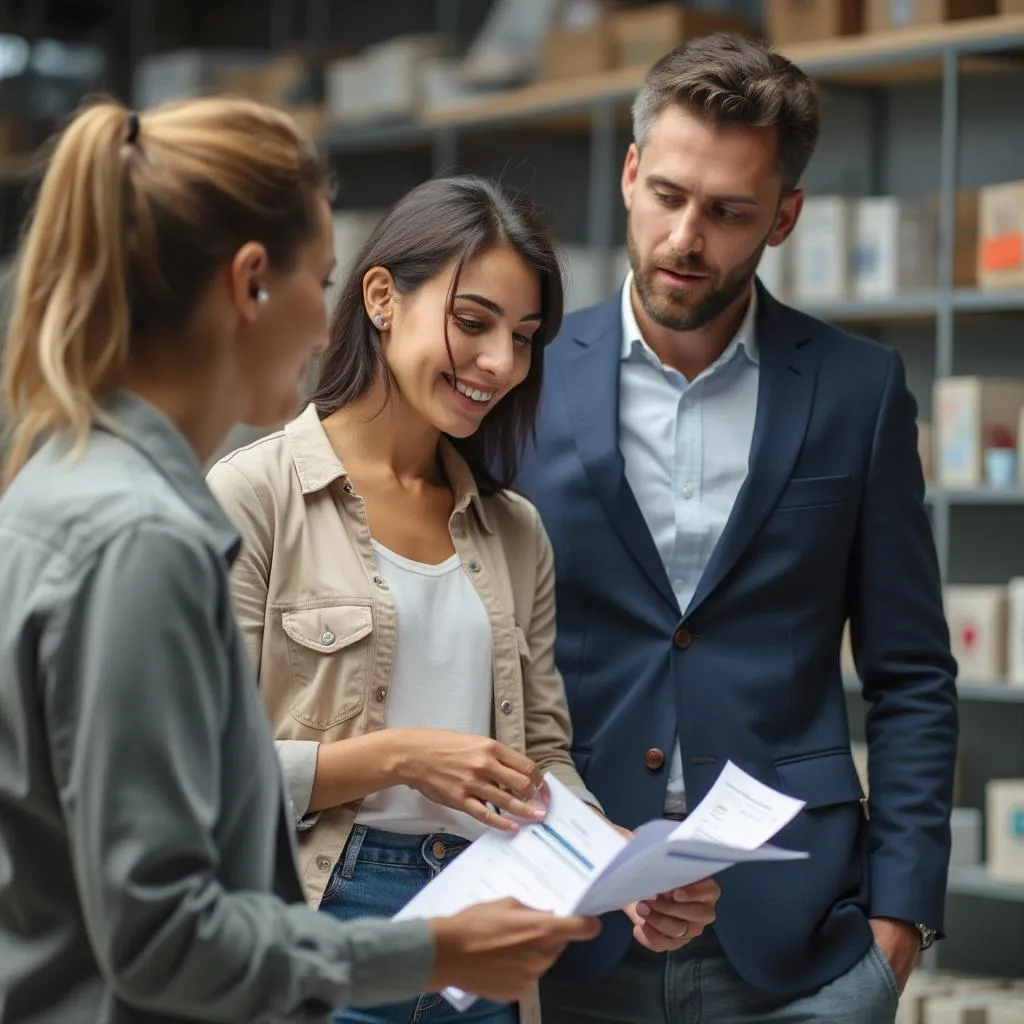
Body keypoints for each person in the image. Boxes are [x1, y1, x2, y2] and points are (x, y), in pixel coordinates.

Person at [0, 97, 606, 1024]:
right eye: (321, 281)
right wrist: (429, 942)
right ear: (251, 284)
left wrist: (613, 861)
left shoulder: (67, 489)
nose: (325, 328)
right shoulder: (151, 535)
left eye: (524, 338)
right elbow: (164, 931)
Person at [515, 32, 960, 1024]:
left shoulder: (858, 391)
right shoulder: (525, 377)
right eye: (668, 195)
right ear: (629, 175)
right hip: (573, 917)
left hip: (796, 936)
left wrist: (899, 925)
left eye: (727, 213)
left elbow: (911, 674)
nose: (686, 238)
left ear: (784, 217)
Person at [204, 173, 720, 1024]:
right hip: (320, 920)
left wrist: (619, 864)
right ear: (380, 298)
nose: (501, 364)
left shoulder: (514, 531)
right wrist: (402, 757)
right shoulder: (255, 498)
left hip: (492, 928)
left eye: (523, 338)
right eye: (473, 323)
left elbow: (542, 756)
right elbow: (208, 774)